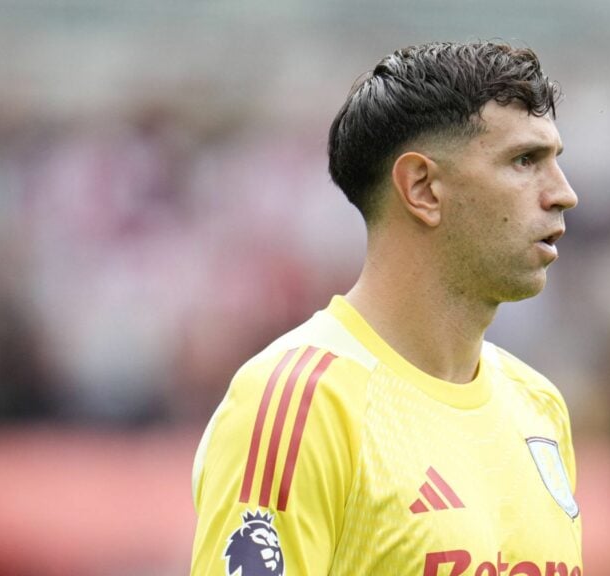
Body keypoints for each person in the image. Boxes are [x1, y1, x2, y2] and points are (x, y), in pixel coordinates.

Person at [190, 40, 581, 576]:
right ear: (422, 188)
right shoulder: (299, 402)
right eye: (524, 161)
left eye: (555, 161)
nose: (563, 193)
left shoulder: (539, 406)